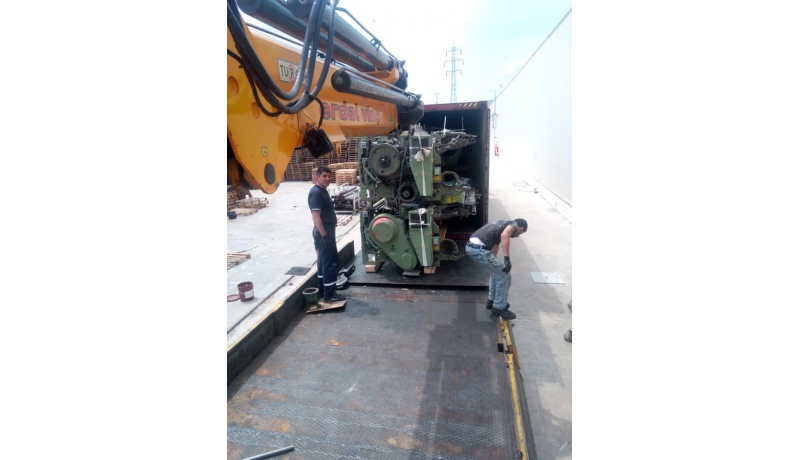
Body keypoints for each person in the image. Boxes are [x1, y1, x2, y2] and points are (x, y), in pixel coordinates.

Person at [465, 218, 528, 320]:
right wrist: (507, 259)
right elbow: (505, 235)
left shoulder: (502, 224)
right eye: (520, 233)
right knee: (505, 277)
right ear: (520, 228)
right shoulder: (514, 224)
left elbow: (495, 245)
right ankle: (499, 307)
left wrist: (495, 264)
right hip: (479, 250)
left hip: (474, 247)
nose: (517, 236)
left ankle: (492, 301)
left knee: (496, 273)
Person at [308, 166, 345, 303]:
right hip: (323, 232)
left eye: (329, 176)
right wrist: (324, 236)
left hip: (325, 231)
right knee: (330, 263)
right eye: (324, 176)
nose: (327, 178)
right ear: (317, 177)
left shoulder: (322, 191)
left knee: (323, 262)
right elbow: (316, 217)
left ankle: (322, 291)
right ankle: (329, 295)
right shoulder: (316, 193)